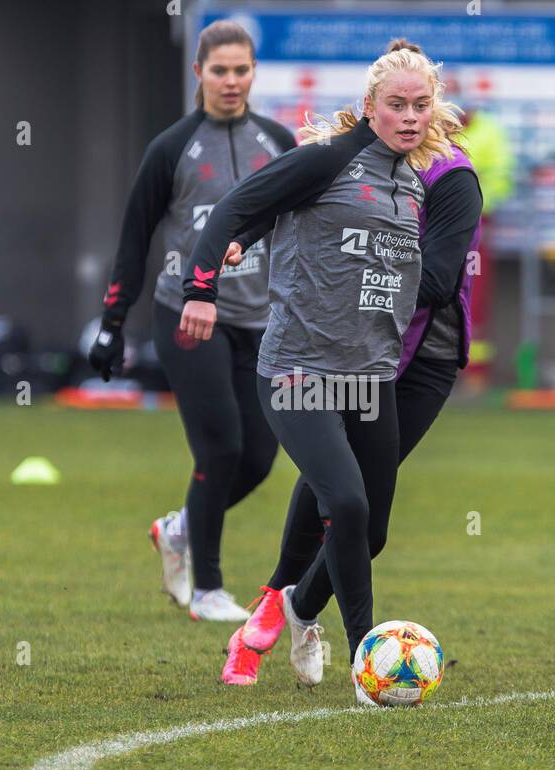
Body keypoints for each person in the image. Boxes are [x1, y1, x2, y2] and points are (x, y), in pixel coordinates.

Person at [182, 42, 464, 703]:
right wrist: (201, 286)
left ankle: (299, 609)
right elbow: (237, 207)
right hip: (297, 371)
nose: (410, 116)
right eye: (396, 105)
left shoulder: (409, 183)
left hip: (370, 377)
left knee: (374, 531)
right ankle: (370, 658)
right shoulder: (326, 160)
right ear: (369, 108)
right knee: (347, 503)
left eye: (421, 105)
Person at [88, 20, 295, 622]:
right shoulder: (171, 148)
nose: (231, 81)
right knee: (221, 447)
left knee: (259, 456)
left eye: (241, 70)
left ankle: (180, 527)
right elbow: (134, 239)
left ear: (254, 73)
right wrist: (111, 322)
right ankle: (207, 588)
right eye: (219, 70)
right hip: (186, 317)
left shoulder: (279, 141)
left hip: (260, 321)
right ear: (198, 72)